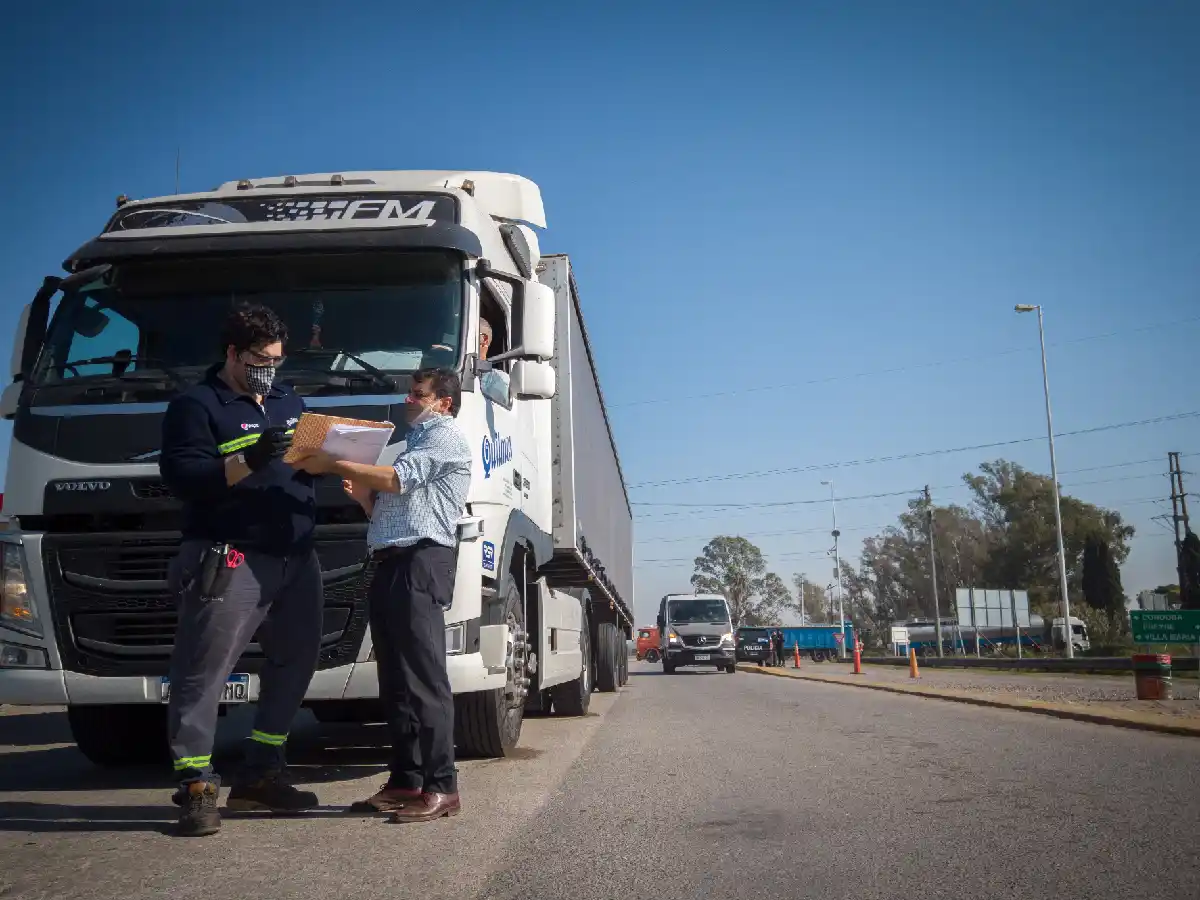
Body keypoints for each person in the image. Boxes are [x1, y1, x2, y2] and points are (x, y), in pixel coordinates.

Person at [159, 304, 324, 838]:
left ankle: (260, 774)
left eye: (276, 360)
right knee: (202, 671)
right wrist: (249, 459)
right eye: (259, 360)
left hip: (296, 556)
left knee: (295, 664)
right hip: (231, 556)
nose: (269, 370)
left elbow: (304, 465)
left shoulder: (288, 401)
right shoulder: (196, 405)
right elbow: (185, 479)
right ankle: (195, 787)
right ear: (232, 353)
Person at [291, 367, 472, 824]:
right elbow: (393, 507)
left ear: (444, 403)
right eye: (410, 392)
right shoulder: (413, 443)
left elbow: (396, 481)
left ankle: (442, 786)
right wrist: (363, 499)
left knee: (424, 679)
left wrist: (333, 463)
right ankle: (406, 781)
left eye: (418, 394)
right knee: (395, 681)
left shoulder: (445, 437)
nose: (409, 400)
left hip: (421, 562)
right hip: (391, 562)